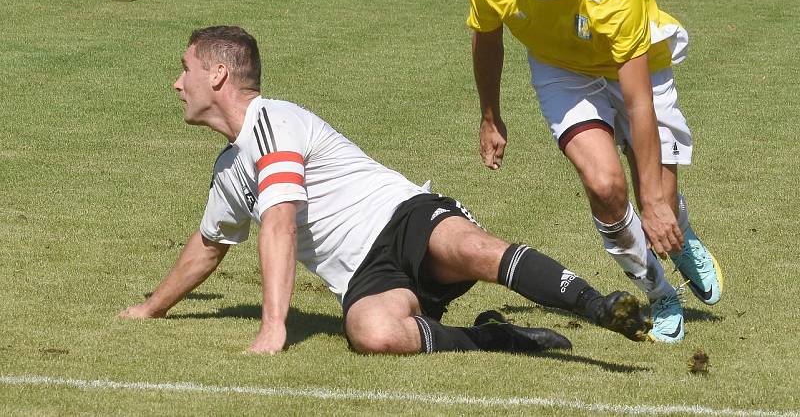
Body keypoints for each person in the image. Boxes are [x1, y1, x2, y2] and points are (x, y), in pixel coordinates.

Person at [119, 25, 651, 356]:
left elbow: (279, 221)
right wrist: (151, 309)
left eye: (183, 69)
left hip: (403, 217)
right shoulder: (230, 167)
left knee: (471, 249)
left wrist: (274, 327)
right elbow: (210, 244)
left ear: (217, 75)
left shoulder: (272, 121)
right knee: (371, 333)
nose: (176, 83)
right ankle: (495, 337)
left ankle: (598, 305)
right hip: (365, 276)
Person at [468, 0, 723, 344]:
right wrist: (491, 116)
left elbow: (638, 101)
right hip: (561, 69)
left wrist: (655, 205)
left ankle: (681, 231)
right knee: (606, 187)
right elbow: (487, 39)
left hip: (636, 64)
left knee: (659, 192)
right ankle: (659, 293)